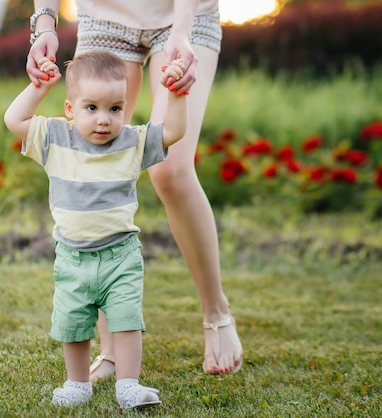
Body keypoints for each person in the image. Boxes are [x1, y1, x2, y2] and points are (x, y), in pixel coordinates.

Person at [25, 0, 243, 381]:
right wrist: (44, 25)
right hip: (106, 15)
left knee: (170, 168)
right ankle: (111, 351)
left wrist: (182, 30)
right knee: (95, 155)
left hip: (183, 15)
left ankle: (216, 311)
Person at [4, 50, 187, 408]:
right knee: (73, 324)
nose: (104, 120)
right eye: (92, 108)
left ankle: (128, 385)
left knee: (126, 320)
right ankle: (77, 384)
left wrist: (177, 93)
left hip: (121, 256)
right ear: (71, 109)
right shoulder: (56, 136)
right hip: (72, 257)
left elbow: (175, 130)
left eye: (115, 109)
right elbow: (13, 119)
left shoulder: (132, 141)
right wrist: (39, 86)